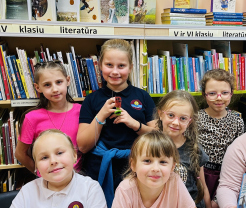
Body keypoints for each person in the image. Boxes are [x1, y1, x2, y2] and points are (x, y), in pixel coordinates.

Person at [77, 39, 155, 208]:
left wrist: (135, 124)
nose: (114, 71)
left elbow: (158, 138)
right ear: (100, 66)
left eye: (121, 66)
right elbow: (83, 146)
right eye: (109, 65)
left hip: (135, 166)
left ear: (131, 67)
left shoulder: (143, 97)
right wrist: (101, 115)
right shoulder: (91, 99)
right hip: (100, 167)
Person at [15, 61, 82, 174]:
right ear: (38, 87)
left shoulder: (81, 111)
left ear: (68, 81)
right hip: (49, 180)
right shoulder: (32, 118)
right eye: (47, 85)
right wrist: (40, 173)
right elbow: (20, 153)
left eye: (59, 82)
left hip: (77, 177)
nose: (55, 89)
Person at [11, 129, 107, 208]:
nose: (53, 161)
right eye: (44, 157)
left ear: (74, 155)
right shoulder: (27, 192)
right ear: (36, 166)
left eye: (59, 153)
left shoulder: (91, 189)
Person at [154, 90, 211, 208]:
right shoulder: (148, 146)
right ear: (160, 114)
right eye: (171, 115)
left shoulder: (195, 150)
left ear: (190, 121)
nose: (175, 122)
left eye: (183, 118)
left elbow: (203, 187)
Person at [197, 69, 244, 208]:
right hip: (201, 175)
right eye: (212, 93)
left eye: (224, 93)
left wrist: (218, 198)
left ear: (231, 93)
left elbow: (239, 159)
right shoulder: (196, 119)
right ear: (204, 95)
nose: (219, 98)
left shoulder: (237, 122)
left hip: (227, 177)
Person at [112, 131, 196, 208]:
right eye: (147, 161)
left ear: (172, 167)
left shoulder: (174, 182)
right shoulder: (125, 190)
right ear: (133, 165)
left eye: (163, 162)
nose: (155, 169)